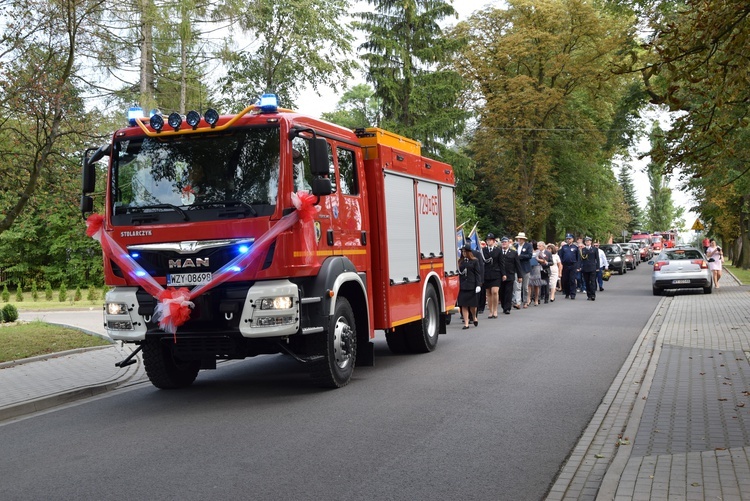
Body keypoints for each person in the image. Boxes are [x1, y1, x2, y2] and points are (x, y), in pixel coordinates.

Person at [457, 244, 482, 329]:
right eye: (462, 251)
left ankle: (474, 316)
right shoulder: (460, 262)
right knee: (464, 305)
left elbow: (477, 274)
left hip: (472, 285)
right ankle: (466, 323)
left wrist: (478, 285)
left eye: (465, 251)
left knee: (473, 306)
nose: (463, 253)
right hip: (463, 286)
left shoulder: (475, 261)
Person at [482, 233, 504, 318]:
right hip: (487, 273)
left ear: (494, 241)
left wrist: (503, 274)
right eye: (487, 240)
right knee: (489, 293)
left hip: (496, 273)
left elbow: (501, 263)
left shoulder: (498, 250)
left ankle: (495, 310)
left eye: (490, 240)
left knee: (494, 291)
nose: (488, 241)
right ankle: (490, 311)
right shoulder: (483, 250)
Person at [499, 236, 522, 314]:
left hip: (510, 274)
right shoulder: (498, 252)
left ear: (509, 243)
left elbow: (517, 265)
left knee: (509, 292)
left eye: (505, 242)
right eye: (502, 242)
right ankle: (503, 305)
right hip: (500, 275)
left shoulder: (513, 252)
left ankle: (507, 308)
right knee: (501, 292)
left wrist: (520, 276)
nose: (504, 244)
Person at [558, 233, 582, 299]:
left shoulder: (575, 247)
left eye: (569, 239)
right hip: (565, 265)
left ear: (572, 239)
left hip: (573, 265)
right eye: (567, 239)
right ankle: (567, 292)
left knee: (572, 280)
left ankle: (573, 294)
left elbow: (578, 258)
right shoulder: (563, 247)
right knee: (565, 280)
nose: (568, 240)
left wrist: (578, 266)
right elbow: (560, 257)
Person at [514, 232, 533, 309]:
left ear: (523, 239)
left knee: (525, 287)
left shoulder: (528, 246)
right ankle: (518, 302)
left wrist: (519, 256)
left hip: (525, 268)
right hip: (517, 268)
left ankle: (525, 301)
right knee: (517, 286)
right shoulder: (515, 246)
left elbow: (529, 255)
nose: (519, 240)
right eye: (518, 238)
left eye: (521, 238)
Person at [580, 236, 600, 301]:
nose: (587, 242)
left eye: (588, 241)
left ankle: (593, 295)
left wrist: (597, 267)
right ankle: (589, 295)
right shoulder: (583, 250)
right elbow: (581, 259)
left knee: (592, 281)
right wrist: (580, 267)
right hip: (585, 268)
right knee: (587, 282)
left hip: (592, 267)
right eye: (586, 241)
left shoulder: (594, 249)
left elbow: (597, 258)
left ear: (591, 242)